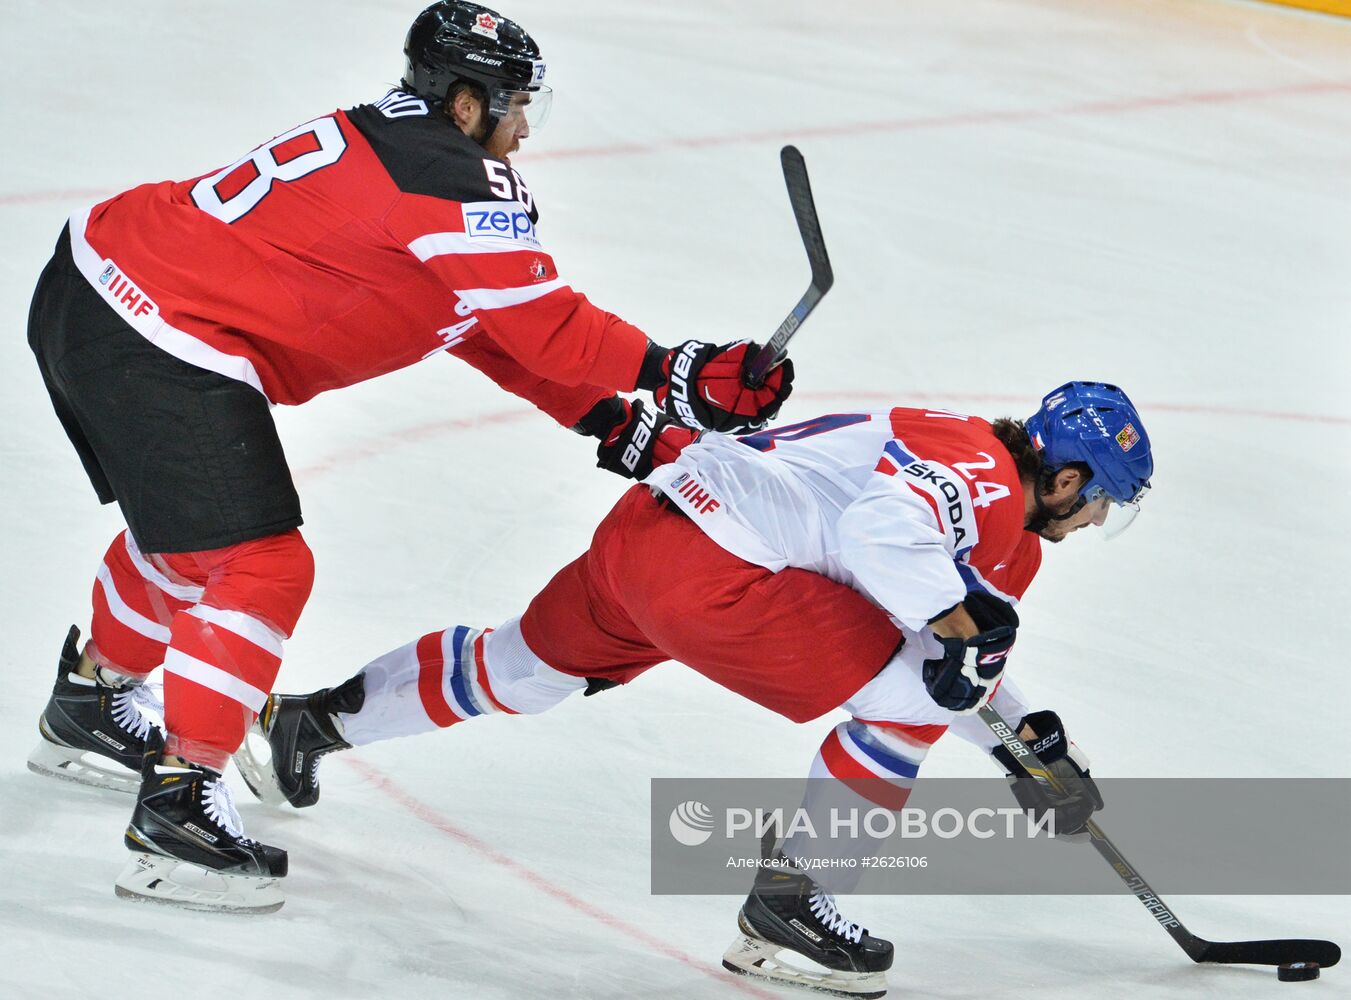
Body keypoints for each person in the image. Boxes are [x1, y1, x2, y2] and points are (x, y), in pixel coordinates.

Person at [24, 0, 792, 913]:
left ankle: (89, 704)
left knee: (193, 536)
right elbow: (547, 326)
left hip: (92, 284)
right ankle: (180, 813)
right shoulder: (453, 177)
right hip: (162, 340)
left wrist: (619, 425)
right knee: (258, 564)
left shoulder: (399, 149)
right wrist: (675, 371)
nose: (520, 125)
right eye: (514, 103)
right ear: (465, 103)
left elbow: (486, 327)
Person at [240, 381, 1154, 994]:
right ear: (1066, 479)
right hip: (716, 573)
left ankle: (310, 726)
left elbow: (950, 645)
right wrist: (979, 679)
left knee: (527, 666)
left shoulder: (947, 436)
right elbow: (899, 566)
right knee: (905, 710)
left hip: (648, 527)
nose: (1098, 516)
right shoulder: (995, 497)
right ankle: (789, 908)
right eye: (1102, 498)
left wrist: (1025, 738)